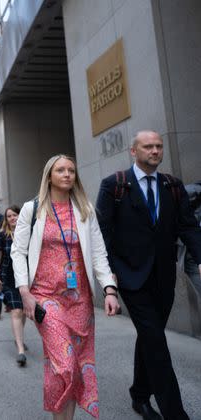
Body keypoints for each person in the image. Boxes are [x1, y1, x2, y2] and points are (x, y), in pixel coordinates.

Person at [96, 130, 201, 420]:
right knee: (155, 340)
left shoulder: (173, 186)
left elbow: (188, 227)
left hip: (164, 277)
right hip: (130, 277)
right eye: (148, 146)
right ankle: (175, 413)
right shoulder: (114, 186)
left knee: (149, 337)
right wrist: (108, 279)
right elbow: (102, 232)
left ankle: (139, 396)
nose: (155, 151)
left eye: (158, 146)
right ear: (134, 151)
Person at [12, 154, 120, 419]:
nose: (67, 174)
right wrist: (24, 291)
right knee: (66, 362)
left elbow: (98, 253)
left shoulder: (85, 210)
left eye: (71, 170)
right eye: (61, 170)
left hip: (79, 300)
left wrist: (109, 289)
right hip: (45, 297)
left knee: (71, 365)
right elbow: (18, 251)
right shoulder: (33, 209)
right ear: (49, 176)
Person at [0, 205, 28, 366]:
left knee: (24, 312)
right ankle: (20, 349)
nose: (13, 218)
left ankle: (18, 338)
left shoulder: (28, 233)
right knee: (17, 311)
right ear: (6, 220)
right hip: (8, 279)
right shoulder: (2, 235)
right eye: (9, 216)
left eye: (15, 215)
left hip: (26, 280)